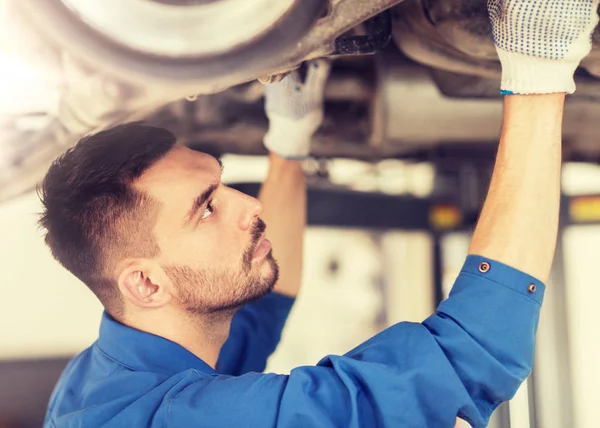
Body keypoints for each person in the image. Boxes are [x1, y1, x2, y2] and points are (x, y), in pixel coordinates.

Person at [41, 1, 599, 427]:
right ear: (144, 282)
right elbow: (470, 360)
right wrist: (537, 64)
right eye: (206, 208)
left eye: (220, 182)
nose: (249, 202)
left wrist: (287, 139)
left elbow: (263, 310)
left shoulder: (115, 371)